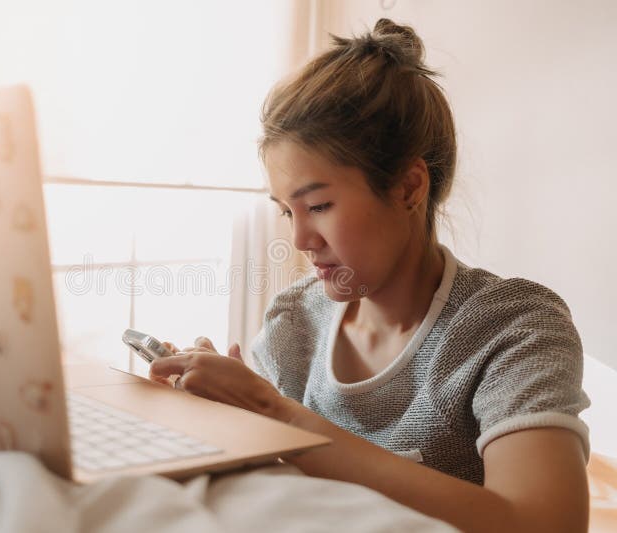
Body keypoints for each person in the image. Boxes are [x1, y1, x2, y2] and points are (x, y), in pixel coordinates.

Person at [149, 18, 590, 533]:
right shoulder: (296, 321)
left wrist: (278, 414)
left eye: (318, 205)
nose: (300, 240)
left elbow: (543, 524)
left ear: (408, 188)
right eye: (288, 212)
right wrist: (222, 412)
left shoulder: (513, 328)